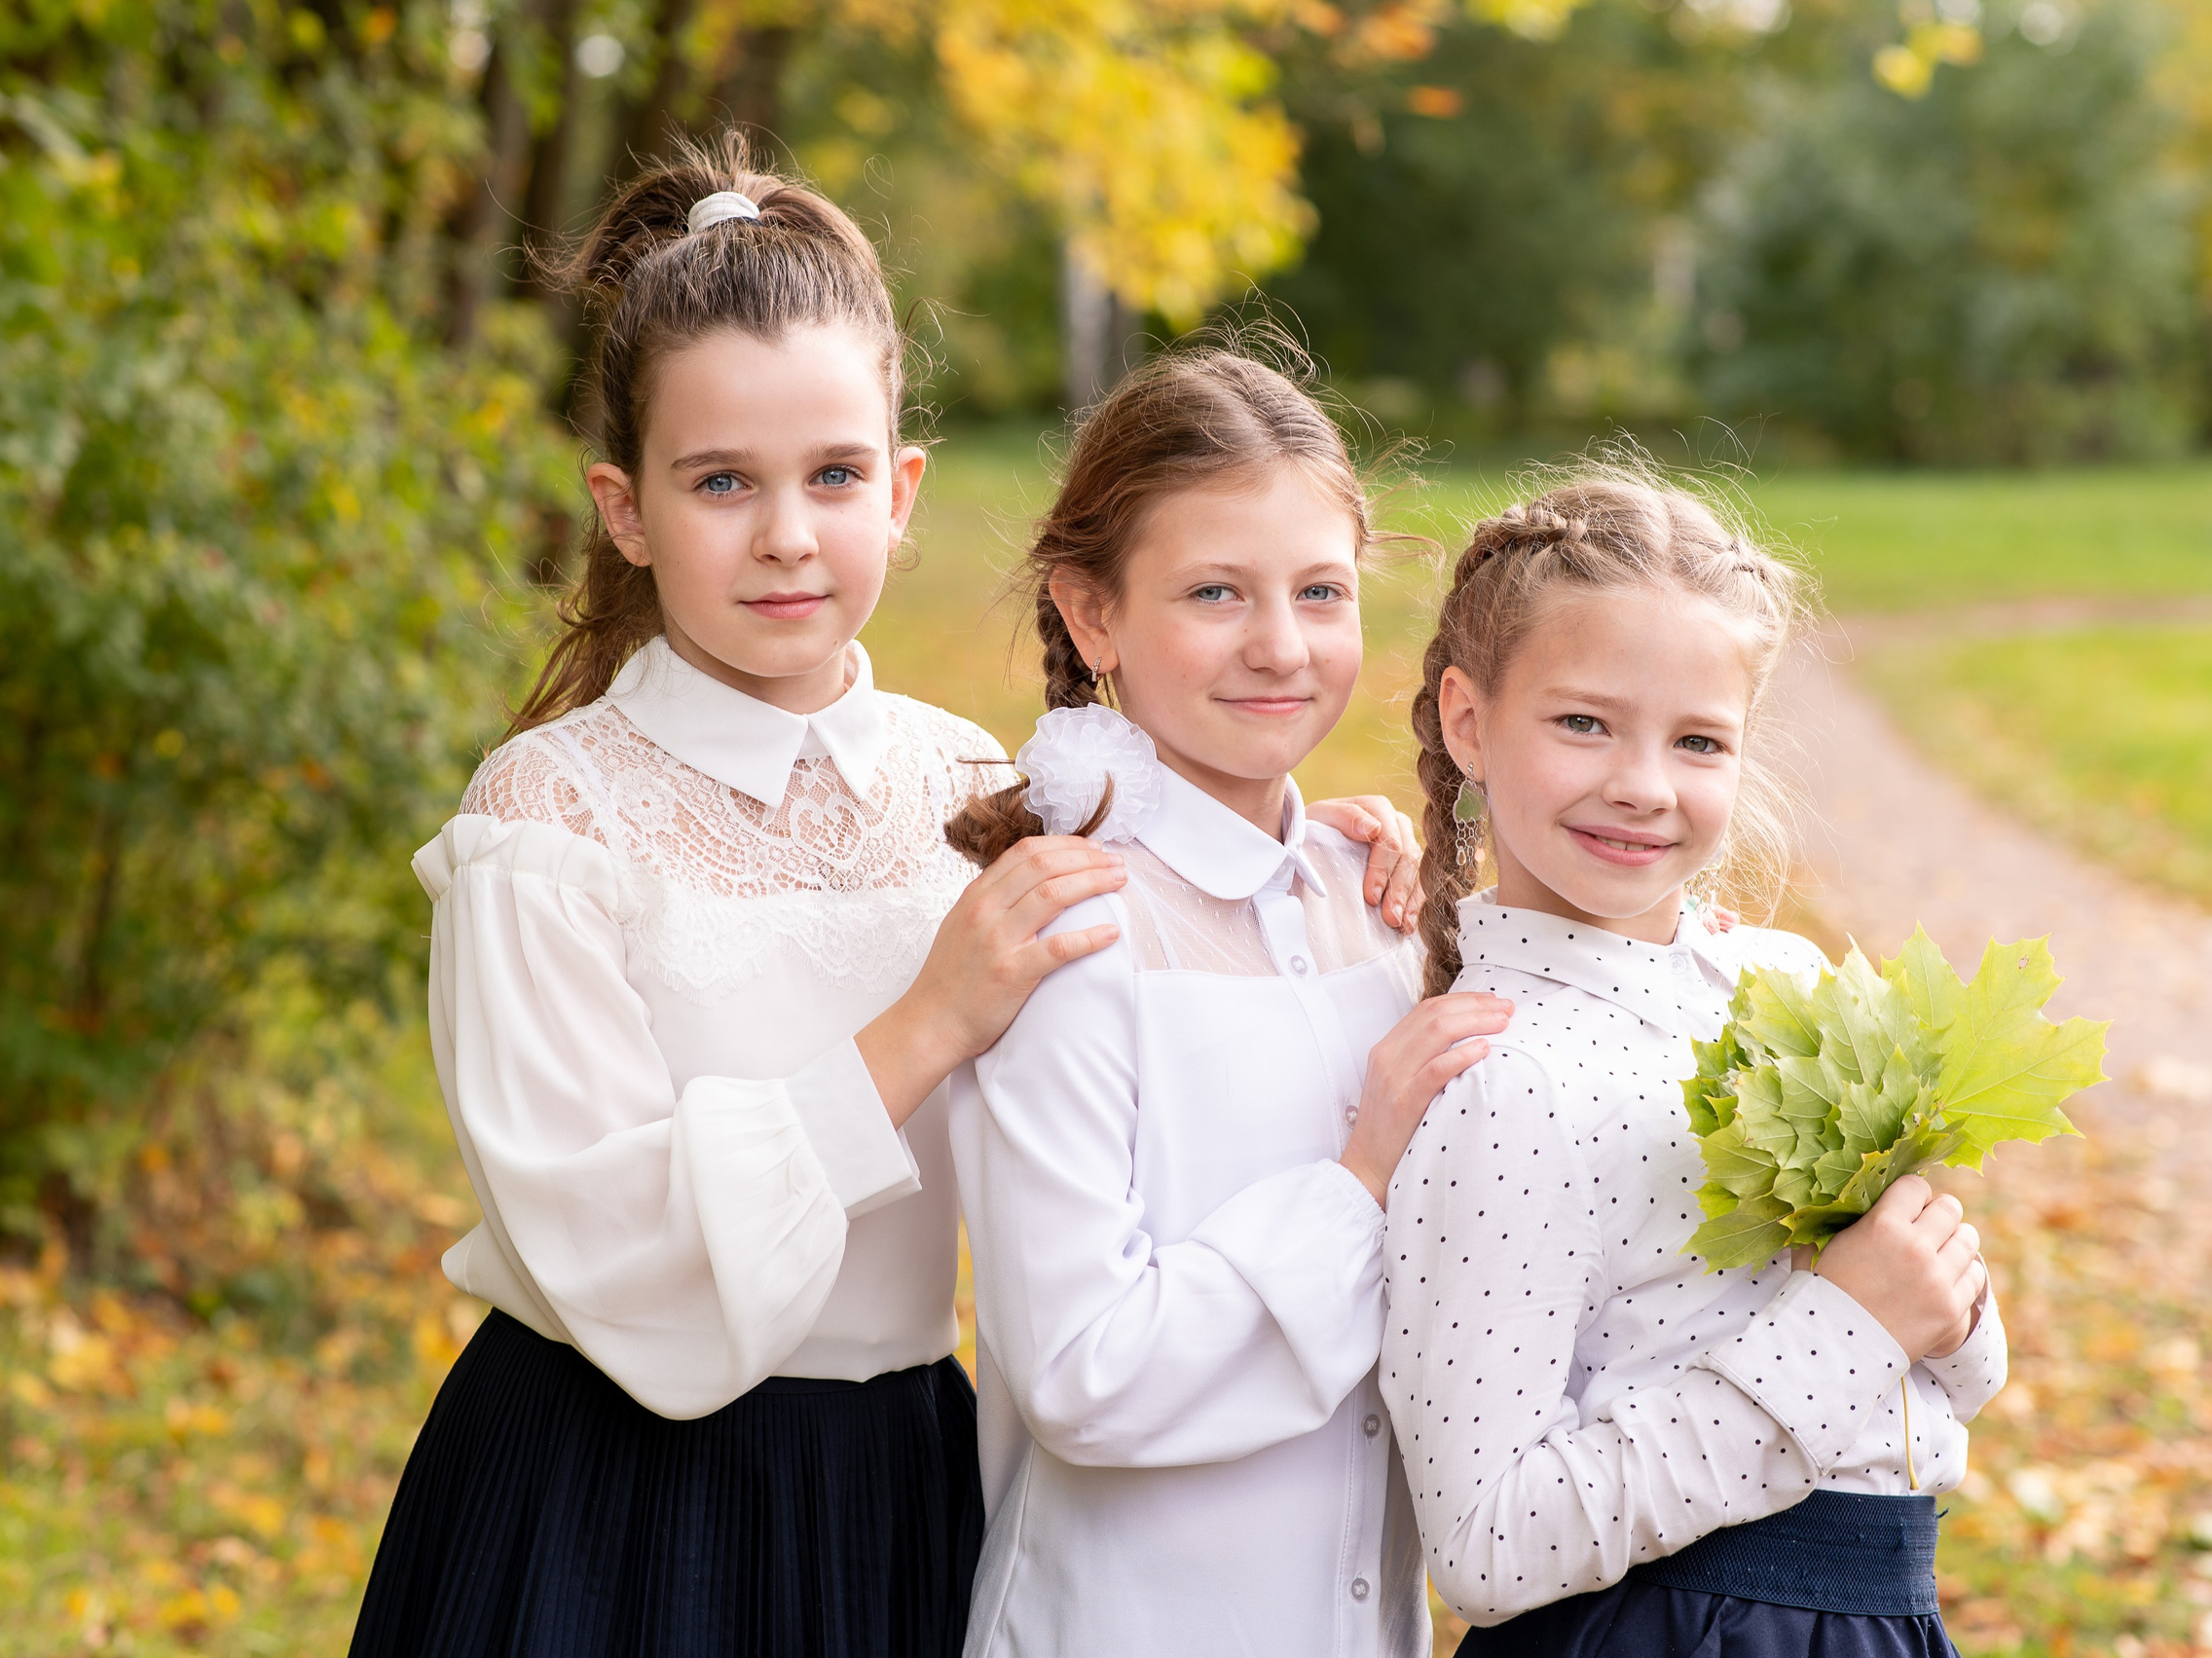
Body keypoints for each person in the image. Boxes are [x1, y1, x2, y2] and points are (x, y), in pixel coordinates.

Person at [349, 145, 1420, 1658]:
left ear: (901, 490)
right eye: (722, 481)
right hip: (618, 1503)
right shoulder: (547, 817)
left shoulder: (971, 782)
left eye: (835, 475)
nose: (788, 532)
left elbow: (1191, 881)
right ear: (626, 509)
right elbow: (603, 1246)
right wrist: (922, 1025)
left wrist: (1342, 858)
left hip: (903, 1487)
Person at [945, 346, 1514, 1658]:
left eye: (1320, 591)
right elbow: (1084, 1369)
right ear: (1093, 614)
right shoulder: (1072, 932)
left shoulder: (1374, 905)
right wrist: (1358, 1177)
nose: (1280, 644)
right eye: (1216, 591)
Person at [1382, 465, 2009, 1656]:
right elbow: (1484, 1540)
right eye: (1583, 722)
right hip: (1674, 1624)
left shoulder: (1792, 989)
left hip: (1877, 1612)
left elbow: (1956, 1373)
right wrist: (1844, 1323)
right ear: (1469, 721)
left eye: (1698, 740)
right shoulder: (1505, 1079)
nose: (1642, 784)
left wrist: (1938, 1294)